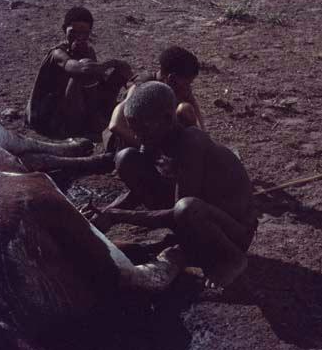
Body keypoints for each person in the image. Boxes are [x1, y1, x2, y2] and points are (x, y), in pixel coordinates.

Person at [88, 81, 257, 289]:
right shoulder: (156, 138)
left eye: (143, 130)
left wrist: (118, 216)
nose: (139, 138)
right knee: (125, 158)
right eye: (135, 131)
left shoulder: (191, 143)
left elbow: (179, 212)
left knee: (187, 208)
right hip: (199, 214)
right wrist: (107, 210)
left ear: (167, 119)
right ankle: (189, 242)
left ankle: (233, 259)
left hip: (234, 232)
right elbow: (140, 190)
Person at [25, 6, 132, 139]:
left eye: (84, 33)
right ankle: (84, 126)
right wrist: (112, 63)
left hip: (77, 105)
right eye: (74, 32)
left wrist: (120, 72)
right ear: (64, 30)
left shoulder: (88, 51)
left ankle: (102, 118)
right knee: (81, 74)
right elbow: (82, 69)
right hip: (50, 116)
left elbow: (96, 77)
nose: (79, 37)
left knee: (119, 70)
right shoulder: (58, 53)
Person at [102, 45, 205, 153]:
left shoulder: (176, 87)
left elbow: (193, 109)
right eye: (187, 83)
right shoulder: (143, 87)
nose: (189, 88)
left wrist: (204, 139)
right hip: (123, 144)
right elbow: (116, 125)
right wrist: (154, 151)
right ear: (172, 78)